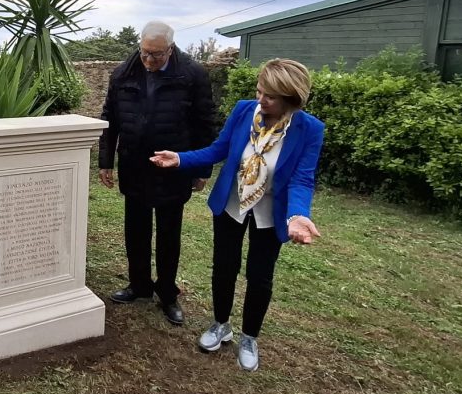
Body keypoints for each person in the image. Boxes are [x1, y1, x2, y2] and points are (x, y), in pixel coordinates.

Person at [150, 58, 324, 372]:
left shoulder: (309, 129)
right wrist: (179, 158)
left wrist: (298, 214)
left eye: (270, 96)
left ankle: (249, 337)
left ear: (291, 98)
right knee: (224, 267)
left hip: (271, 213)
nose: (261, 100)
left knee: (259, 277)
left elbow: (302, 178)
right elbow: (218, 150)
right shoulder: (245, 111)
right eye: (260, 91)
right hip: (232, 205)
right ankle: (220, 325)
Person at [98, 21, 216, 326]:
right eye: (145, 53)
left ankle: (167, 294)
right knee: (135, 230)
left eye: (157, 55)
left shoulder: (192, 75)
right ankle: (139, 286)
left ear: (171, 49)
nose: (149, 61)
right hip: (134, 164)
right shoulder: (123, 73)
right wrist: (105, 160)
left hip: (172, 167)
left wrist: (201, 168)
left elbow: (205, 124)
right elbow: (109, 119)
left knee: (168, 234)